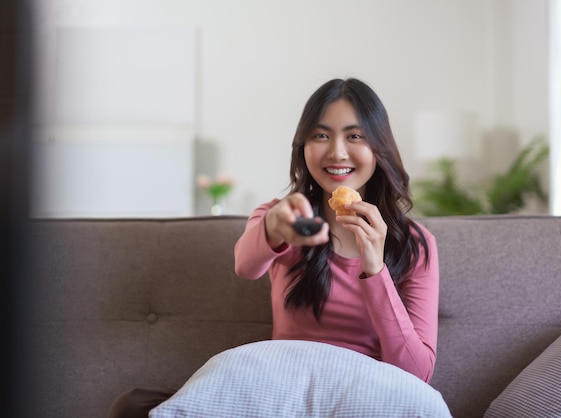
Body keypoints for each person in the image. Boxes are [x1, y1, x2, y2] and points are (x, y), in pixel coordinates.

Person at [107, 77, 440, 417]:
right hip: (282, 390)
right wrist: (273, 228)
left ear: (379, 147)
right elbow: (246, 266)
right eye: (320, 135)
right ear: (303, 146)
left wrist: (376, 269)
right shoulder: (285, 217)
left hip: (361, 398)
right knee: (134, 406)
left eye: (355, 136)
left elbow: (416, 375)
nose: (337, 152)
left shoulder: (415, 245)